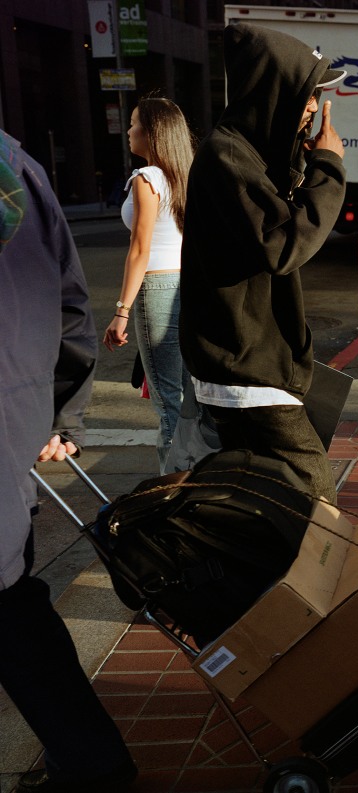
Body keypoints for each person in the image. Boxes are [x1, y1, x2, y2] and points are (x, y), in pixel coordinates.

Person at [0, 130, 137, 792]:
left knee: (14, 612)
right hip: (12, 439)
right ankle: (90, 759)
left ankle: (91, 760)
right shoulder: (17, 163)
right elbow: (70, 305)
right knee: (14, 608)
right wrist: (57, 415)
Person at [180, 23, 348, 502]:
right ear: (274, 89)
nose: (313, 106)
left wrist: (305, 157)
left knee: (266, 503)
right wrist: (329, 167)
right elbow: (285, 244)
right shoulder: (226, 156)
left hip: (255, 366)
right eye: (306, 94)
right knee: (318, 505)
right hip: (245, 370)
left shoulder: (246, 153)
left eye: (316, 96)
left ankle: (264, 575)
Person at [103, 96, 195, 474]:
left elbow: (140, 249)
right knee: (188, 396)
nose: (128, 130)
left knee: (167, 397)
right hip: (184, 287)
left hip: (156, 290)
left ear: (152, 132)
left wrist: (121, 311)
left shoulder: (146, 178)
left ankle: (172, 489)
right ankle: (193, 476)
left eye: (135, 123)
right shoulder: (185, 175)